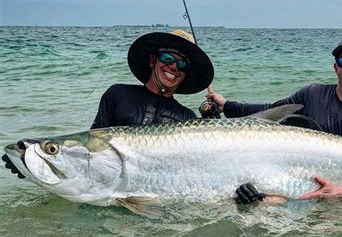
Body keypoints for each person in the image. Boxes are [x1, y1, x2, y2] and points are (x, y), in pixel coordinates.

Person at [3, 29, 214, 178]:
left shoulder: (188, 119)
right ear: (152, 60)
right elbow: (92, 152)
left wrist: (241, 194)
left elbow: (199, 173)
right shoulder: (118, 94)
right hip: (110, 192)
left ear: (185, 73)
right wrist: (34, 169)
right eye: (168, 58)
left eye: (182, 63)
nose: (173, 67)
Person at [207, 34, 342, 204]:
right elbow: (272, 110)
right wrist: (227, 106)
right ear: (336, 67)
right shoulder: (312, 95)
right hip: (304, 189)